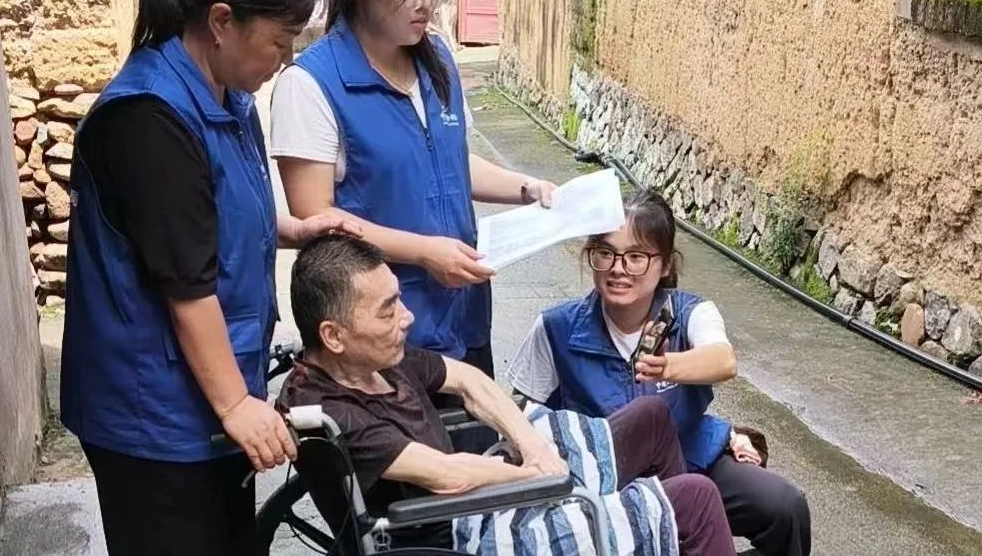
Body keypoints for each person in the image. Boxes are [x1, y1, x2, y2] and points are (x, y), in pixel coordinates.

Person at [60, 0, 358, 556]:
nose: (285, 60)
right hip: (154, 414)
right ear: (222, 21)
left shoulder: (227, 96)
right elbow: (186, 285)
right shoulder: (150, 118)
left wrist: (295, 229)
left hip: (208, 396)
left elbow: (208, 220)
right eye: (279, 42)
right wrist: (235, 406)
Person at [281, 235, 736, 556]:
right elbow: (447, 476)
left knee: (652, 415)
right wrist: (529, 477)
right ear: (333, 335)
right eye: (387, 311)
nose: (407, 317)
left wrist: (533, 447)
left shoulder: (376, 357)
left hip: (481, 491)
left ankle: (655, 540)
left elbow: (469, 381)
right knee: (694, 498)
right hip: (462, 532)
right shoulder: (328, 410)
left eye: (398, 300)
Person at [270, 0, 557, 382]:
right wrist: (424, 251)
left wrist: (527, 188)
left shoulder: (437, 59)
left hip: (464, 317)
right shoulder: (311, 84)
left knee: (476, 430)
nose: (425, 2)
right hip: (381, 337)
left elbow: (450, 161)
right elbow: (317, 221)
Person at [506, 190, 811, 556]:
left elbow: (723, 359)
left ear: (665, 264)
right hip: (610, 482)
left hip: (692, 458)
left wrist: (670, 367)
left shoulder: (689, 313)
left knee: (785, 506)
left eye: (636, 257)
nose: (618, 268)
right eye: (605, 253)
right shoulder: (556, 328)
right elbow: (517, 418)